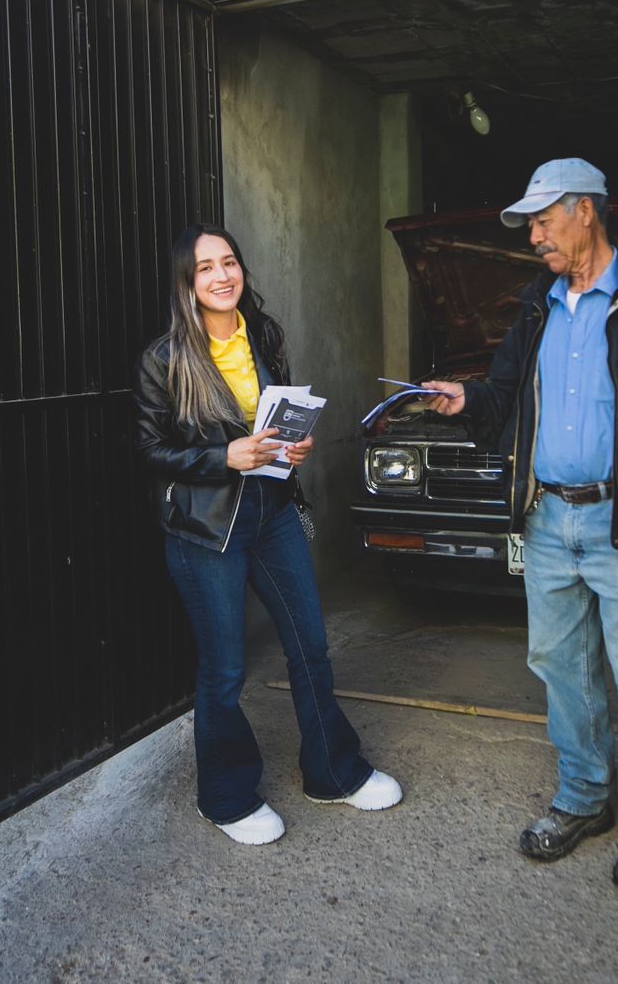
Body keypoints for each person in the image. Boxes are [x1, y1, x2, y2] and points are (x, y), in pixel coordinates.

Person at [425, 158, 618, 890]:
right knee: (563, 670)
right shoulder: (539, 303)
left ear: (587, 211)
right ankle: (584, 798)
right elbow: (505, 392)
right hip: (548, 518)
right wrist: (466, 400)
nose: (533, 236)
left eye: (542, 219)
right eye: (530, 224)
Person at [132, 224, 402, 845]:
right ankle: (224, 796)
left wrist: (292, 446)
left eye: (230, 262)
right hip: (207, 529)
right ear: (186, 283)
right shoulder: (164, 358)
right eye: (206, 268)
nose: (223, 276)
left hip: (272, 510)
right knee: (225, 671)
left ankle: (333, 771)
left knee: (310, 646)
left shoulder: (265, 336)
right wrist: (223, 458)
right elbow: (150, 450)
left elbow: (273, 419)